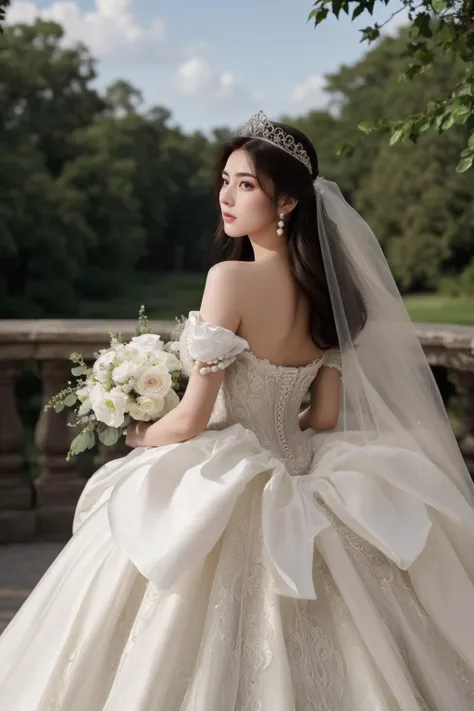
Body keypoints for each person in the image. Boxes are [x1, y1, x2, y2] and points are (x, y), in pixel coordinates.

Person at [1, 111, 474, 711]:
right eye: (225, 180)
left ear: (288, 201)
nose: (225, 196)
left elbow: (194, 419)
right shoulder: (331, 294)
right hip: (309, 473)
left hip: (227, 471)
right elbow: (325, 417)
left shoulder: (228, 278)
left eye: (246, 184)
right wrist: (283, 436)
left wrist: (143, 433)